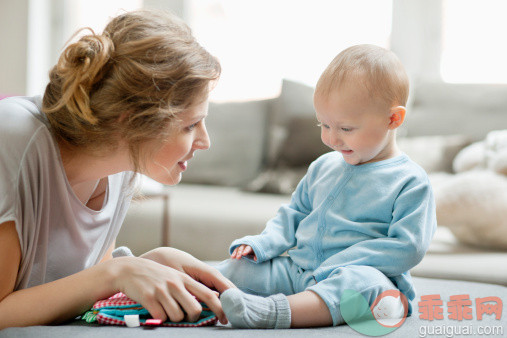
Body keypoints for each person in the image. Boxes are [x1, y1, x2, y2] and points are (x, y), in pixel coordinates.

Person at [0, 10, 236, 329]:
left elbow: (73, 289)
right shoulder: (12, 138)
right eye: (191, 125)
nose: (204, 142)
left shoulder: (121, 162)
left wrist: (144, 264)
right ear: (132, 121)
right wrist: (118, 273)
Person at [216, 44, 437, 329]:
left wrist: (343, 263)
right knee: (239, 269)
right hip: (298, 270)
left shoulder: (410, 181)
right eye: (323, 125)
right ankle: (192, 293)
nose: (332, 139)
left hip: (361, 279)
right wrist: (263, 243)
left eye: (345, 129)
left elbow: (408, 247)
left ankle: (270, 312)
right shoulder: (323, 166)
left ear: (393, 119)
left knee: (361, 285)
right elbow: (294, 212)